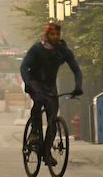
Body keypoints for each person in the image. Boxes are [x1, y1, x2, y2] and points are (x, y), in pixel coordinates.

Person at [20, 23, 83, 167]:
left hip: (50, 85)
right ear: (47, 36)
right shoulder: (37, 49)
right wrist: (28, 83)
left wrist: (78, 86)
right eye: (52, 35)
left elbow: (76, 69)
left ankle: (47, 153)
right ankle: (35, 132)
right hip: (34, 81)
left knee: (53, 119)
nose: (55, 37)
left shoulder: (62, 51)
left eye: (57, 35)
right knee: (39, 101)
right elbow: (23, 67)